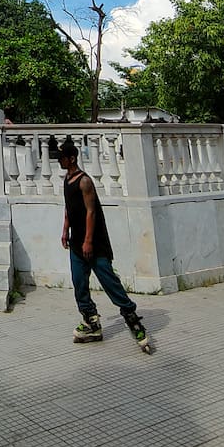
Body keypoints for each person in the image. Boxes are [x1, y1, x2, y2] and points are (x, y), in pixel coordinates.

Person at [58, 136, 148, 348]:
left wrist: (88, 241)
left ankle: (132, 318)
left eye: (62, 158)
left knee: (109, 282)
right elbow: (69, 208)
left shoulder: (84, 181)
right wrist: (65, 230)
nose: (59, 161)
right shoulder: (66, 180)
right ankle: (91, 321)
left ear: (71, 159)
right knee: (79, 283)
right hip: (76, 242)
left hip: (94, 243)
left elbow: (91, 212)